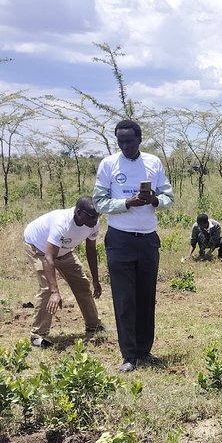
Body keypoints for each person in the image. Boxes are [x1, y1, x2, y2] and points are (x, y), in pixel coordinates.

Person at [93, 119, 174, 373]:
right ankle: (129, 355)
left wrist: (155, 200)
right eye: (121, 141)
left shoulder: (153, 162)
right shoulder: (108, 164)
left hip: (148, 240)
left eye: (129, 140)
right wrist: (126, 203)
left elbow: (169, 197)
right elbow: (98, 202)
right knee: (124, 299)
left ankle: (144, 350)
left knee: (146, 297)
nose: (125, 145)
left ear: (140, 139)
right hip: (119, 240)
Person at [22, 197, 104, 348]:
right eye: (92, 216)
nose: (96, 219)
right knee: (47, 289)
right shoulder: (62, 223)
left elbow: (91, 249)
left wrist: (96, 279)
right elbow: (48, 258)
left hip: (64, 251)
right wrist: (55, 291)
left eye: (98, 215)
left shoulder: (94, 222)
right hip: (39, 248)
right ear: (79, 213)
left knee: (82, 284)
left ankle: (94, 325)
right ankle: (37, 335)